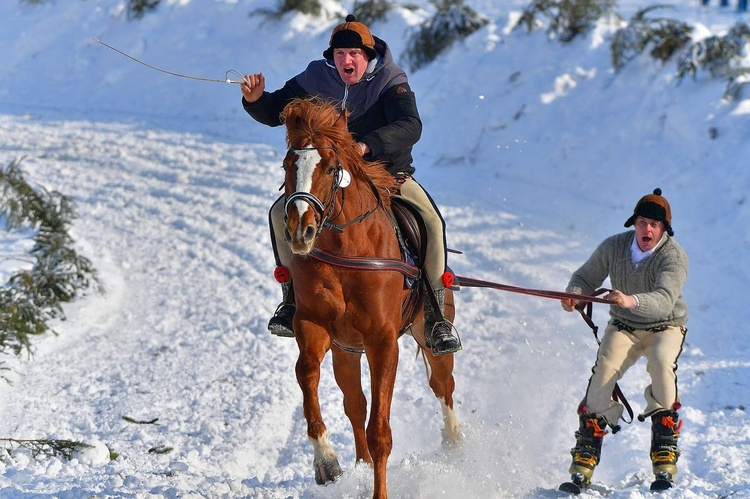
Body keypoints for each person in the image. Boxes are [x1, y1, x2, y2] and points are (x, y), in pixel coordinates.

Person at [240, 14, 461, 355]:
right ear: (332, 57)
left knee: (432, 222)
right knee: (278, 212)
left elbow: (410, 125)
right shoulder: (316, 77)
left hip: (387, 175)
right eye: (340, 53)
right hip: (333, 180)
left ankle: (435, 317)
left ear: (368, 56)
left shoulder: (390, 80)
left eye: (354, 54)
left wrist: (366, 145)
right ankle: (291, 301)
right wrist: (255, 100)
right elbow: (274, 112)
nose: (347, 60)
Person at [558, 188, 689, 492]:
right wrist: (574, 296)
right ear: (635, 223)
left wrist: (630, 300)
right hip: (625, 326)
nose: (648, 229)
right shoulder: (614, 247)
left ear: (664, 229)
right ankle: (584, 459)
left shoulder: (674, 257)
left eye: (655, 225)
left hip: (665, 326)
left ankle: (664, 453)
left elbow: (665, 300)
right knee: (603, 373)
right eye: (643, 222)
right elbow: (584, 277)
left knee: (660, 365)